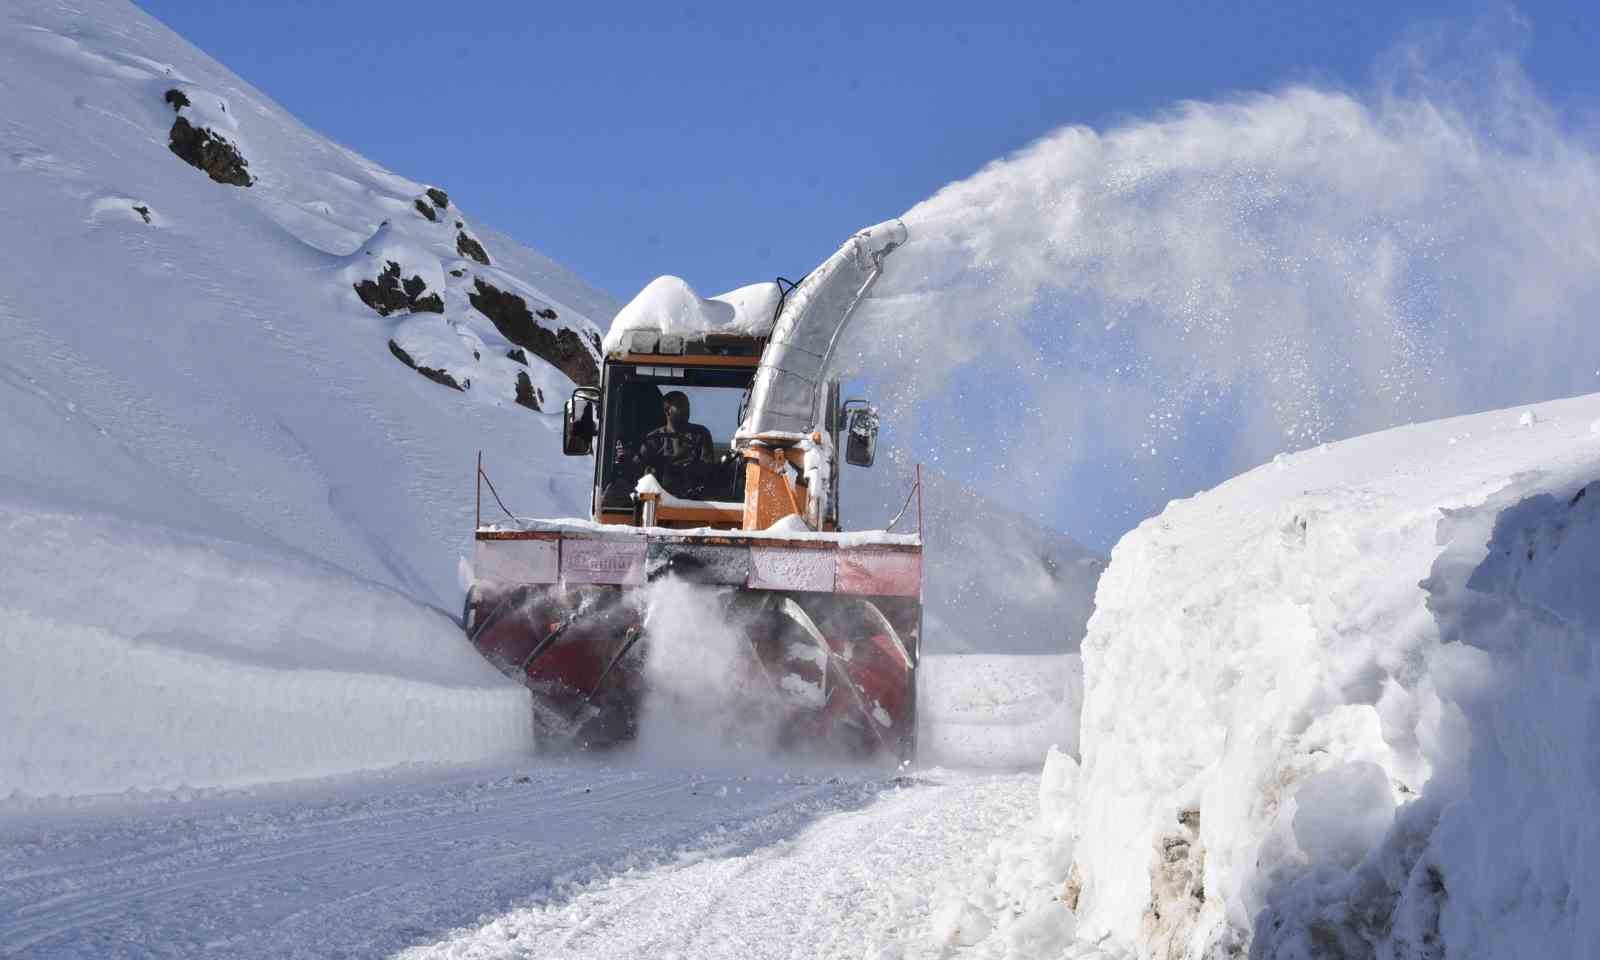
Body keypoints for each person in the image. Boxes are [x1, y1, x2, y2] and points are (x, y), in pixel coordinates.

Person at [620, 390, 716, 498]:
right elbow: (637, 467)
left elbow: (708, 467)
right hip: (659, 499)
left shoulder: (701, 434)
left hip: (694, 499)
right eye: (681, 406)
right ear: (667, 410)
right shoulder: (654, 438)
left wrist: (686, 470)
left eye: (687, 405)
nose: (686, 410)